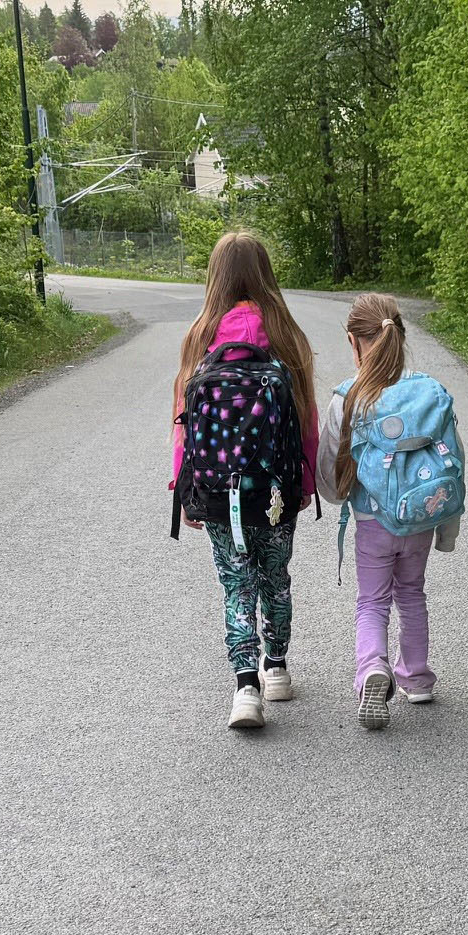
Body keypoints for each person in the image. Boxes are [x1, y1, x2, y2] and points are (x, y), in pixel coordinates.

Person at [170, 232, 319, 731]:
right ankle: (276, 668)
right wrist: (305, 480)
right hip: (277, 487)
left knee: (236, 582)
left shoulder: (200, 336)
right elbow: (306, 418)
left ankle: (245, 689)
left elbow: (183, 423)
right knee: (275, 576)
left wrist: (184, 488)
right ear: (265, 273)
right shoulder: (286, 334)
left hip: (217, 489)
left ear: (215, 276)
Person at [315, 294, 462, 730]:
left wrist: (337, 496)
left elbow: (329, 469)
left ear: (353, 341)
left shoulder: (349, 398)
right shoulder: (430, 394)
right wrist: (447, 529)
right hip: (420, 518)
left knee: (372, 601)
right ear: (399, 334)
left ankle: (372, 670)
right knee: (412, 593)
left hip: (372, 521)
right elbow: (455, 461)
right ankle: (416, 677)